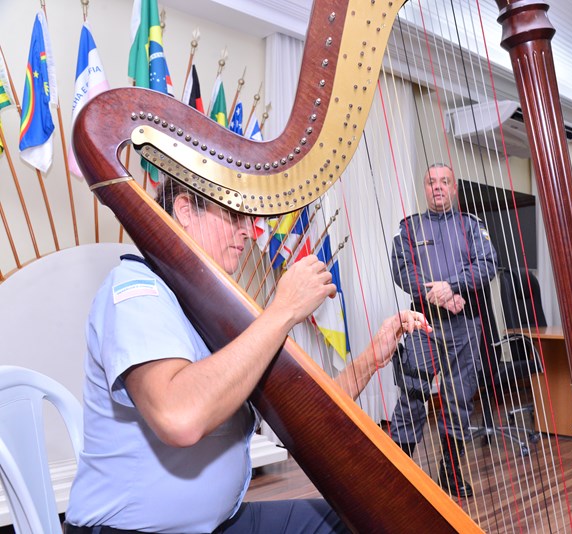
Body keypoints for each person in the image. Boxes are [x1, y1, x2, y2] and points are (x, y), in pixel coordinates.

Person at [65, 178, 431, 534]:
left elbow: (301, 422)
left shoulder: (208, 308)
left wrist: (371, 357)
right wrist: (282, 311)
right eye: (234, 217)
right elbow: (180, 418)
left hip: (223, 521)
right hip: (130, 529)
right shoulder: (136, 290)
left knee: (366, 519)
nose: (248, 231)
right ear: (184, 211)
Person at [388, 163, 497, 499]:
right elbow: (402, 269)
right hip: (424, 323)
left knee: (459, 400)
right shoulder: (410, 228)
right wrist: (436, 293)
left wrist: (453, 286)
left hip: (465, 326)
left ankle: (450, 472)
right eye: (431, 182)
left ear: (454, 189)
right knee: (413, 396)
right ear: (425, 188)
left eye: (444, 181)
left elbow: (488, 264)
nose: (437, 187)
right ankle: (396, 468)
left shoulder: (472, 226)